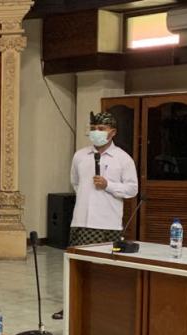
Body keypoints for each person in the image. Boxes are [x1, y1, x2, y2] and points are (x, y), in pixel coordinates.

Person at [53, 112, 138, 320]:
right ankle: (73, 305)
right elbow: (76, 183)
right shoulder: (80, 156)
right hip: (81, 221)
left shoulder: (122, 159)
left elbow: (132, 189)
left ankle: (102, 308)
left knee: (103, 271)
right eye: (93, 128)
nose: (96, 132)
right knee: (77, 266)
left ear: (113, 132)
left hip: (106, 223)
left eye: (101, 129)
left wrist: (109, 185)